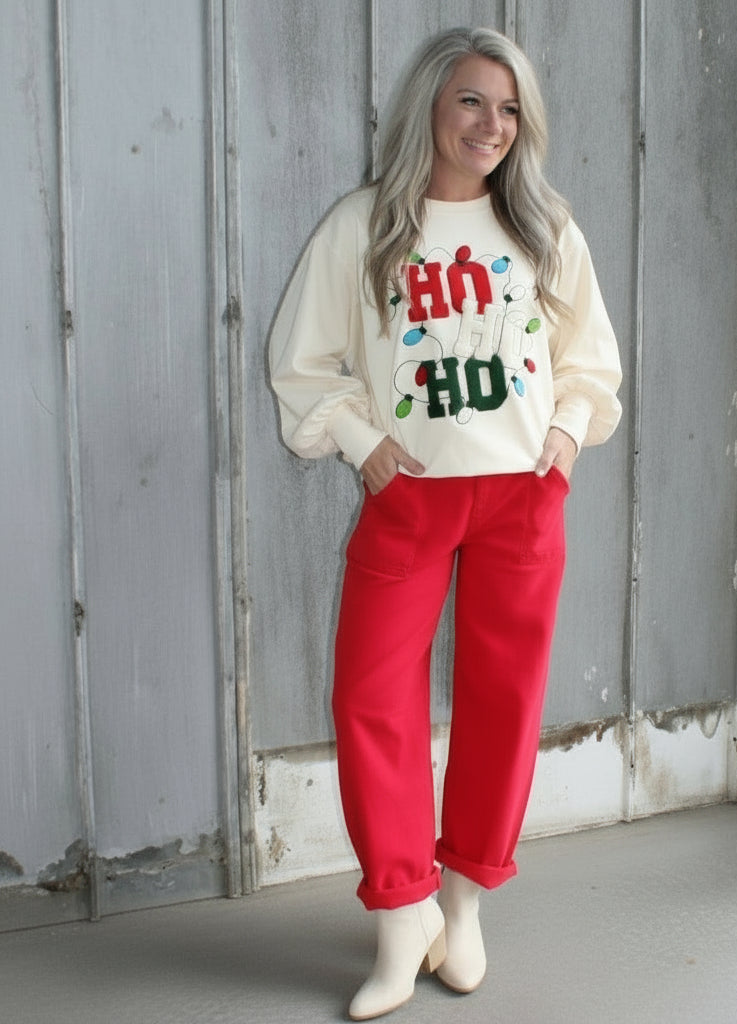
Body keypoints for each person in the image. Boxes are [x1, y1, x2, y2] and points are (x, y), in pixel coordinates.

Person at [268, 26, 622, 1021]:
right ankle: (400, 914)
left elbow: (590, 358)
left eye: (508, 108)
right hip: (412, 492)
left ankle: (462, 904)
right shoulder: (366, 225)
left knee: (502, 699)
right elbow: (303, 359)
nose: (492, 124)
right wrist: (358, 441)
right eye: (472, 100)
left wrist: (563, 434)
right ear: (428, 105)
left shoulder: (544, 227)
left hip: (521, 492)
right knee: (371, 700)